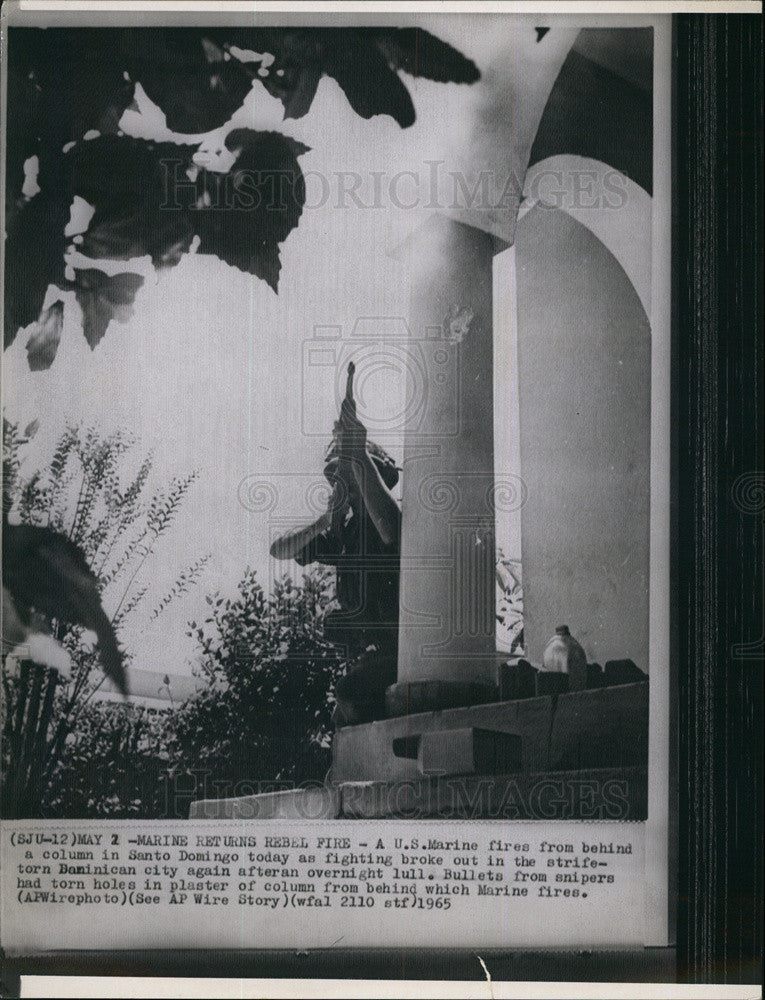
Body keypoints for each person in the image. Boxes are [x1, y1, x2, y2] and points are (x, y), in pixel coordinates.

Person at [270, 369, 401, 726]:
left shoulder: (389, 515)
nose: (338, 483)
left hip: (400, 654)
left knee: (352, 697)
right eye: (335, 477)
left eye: (346, 474)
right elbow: (279, 550)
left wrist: (357, 454)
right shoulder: (342, 530)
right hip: (366, 654)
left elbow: (391, 529)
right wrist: (322, 523)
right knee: (344, 710)